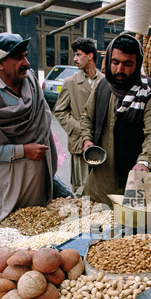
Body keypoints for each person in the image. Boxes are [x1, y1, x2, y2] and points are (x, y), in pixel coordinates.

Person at [0, 32, 57, 223]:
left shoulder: (31, 84)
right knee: (13, 235)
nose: (26, 63)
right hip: (9, 182)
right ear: (0, 63)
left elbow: (45, 125)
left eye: (25, 55)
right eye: (18, 58)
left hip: (39, 176)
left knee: (41, 232)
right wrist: (23, 151)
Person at [80, 33, 151, 206]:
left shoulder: (147, 95)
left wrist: (144, 161)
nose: (119, 70)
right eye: (115, 62)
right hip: (98, 181)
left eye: (127, 64)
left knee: (132, 230)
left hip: (132, 182)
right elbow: (87, 117)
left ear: (137, 64)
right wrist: (87, 140)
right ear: (109, 60)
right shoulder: (102, 87)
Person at [55, 38, 103, 196]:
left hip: (101, 143)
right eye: (74, 55)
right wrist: (82, 131)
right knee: (81, 190)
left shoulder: (104, 81)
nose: (75, 59)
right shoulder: (70, 82)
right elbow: (60, 112)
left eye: (78, 54)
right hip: (79, 144)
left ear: (90, 56)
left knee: (102, 187)